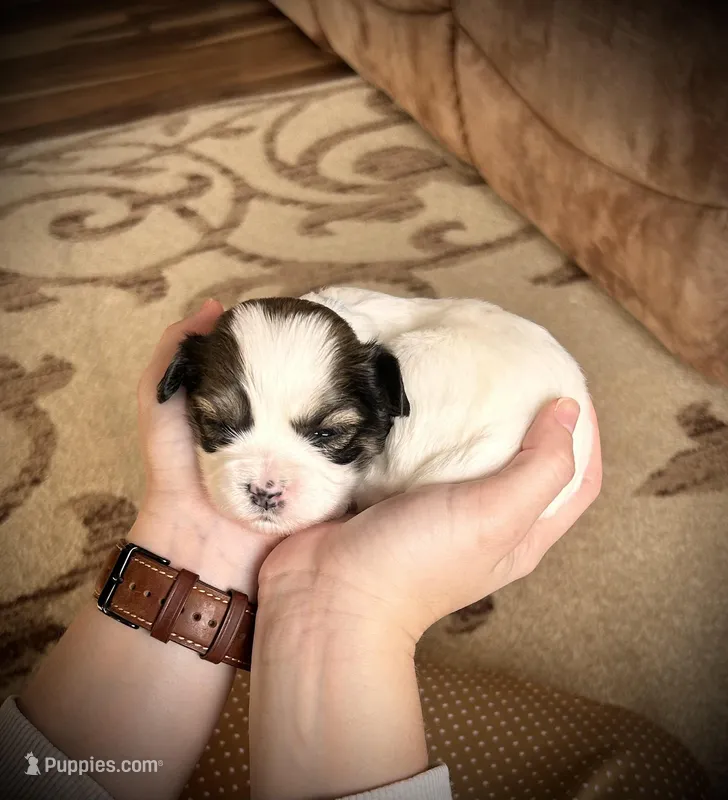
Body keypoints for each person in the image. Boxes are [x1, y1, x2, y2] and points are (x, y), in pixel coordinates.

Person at [0, 300, 602, 800]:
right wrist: (354, 605)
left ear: (385, 400)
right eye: (220, 425)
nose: (264, 485)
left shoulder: (392, 364)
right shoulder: (349, 354)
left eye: (326, 433)